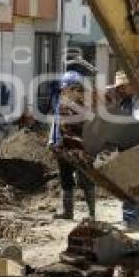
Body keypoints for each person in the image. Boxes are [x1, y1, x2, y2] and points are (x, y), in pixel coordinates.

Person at [49, 70, 96, 221]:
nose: (65, 91)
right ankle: (68, 212)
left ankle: (92, 214)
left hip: (80, 148)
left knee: (86, 180)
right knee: (66, 179)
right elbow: (56, 124)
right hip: (63, 148)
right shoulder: (61, 103)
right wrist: (53, 141)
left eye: (68, 88)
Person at [110, 70, 139, 232]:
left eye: (122, 87)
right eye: (118, 87)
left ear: (132, 86)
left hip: (135, 148)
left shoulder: (138, 102)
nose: (120, 90)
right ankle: (129, 219)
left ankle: (131, 221)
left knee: (132, 185)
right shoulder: (125, 102)